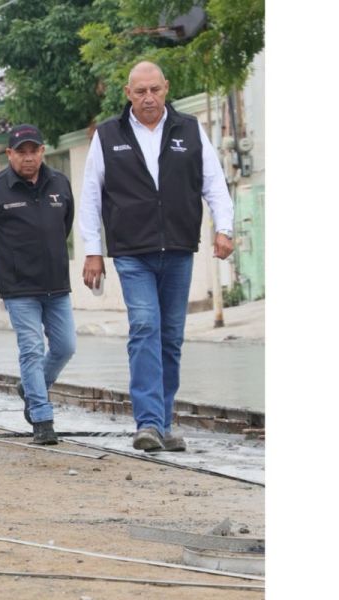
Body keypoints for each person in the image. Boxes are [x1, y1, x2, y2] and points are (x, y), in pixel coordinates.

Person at [79, 61, 234, 453]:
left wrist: (224, 228)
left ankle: (163, 424)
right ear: (128, 93)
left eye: (155, 90)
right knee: (146, 326)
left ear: (166, 88)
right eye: (140, 91)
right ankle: (147, 423)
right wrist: (93, 251)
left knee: (171, 339)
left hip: (179, 250)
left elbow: (214, 183)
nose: (148, 97)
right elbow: (91, 197)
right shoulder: (108, 136)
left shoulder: (190, 130)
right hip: (132, 253)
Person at [0, 124, 76, 445]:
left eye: (34, 151)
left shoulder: (60, 183)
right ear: (9, 154)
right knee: (31, 349)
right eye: (21, 152)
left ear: (43, 152)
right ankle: (42, 418)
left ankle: (31, 387)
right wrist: (6, 265)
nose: (28, 157)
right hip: (18, 288)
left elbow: (65, 224)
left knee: (65, 346)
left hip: (56, 284)